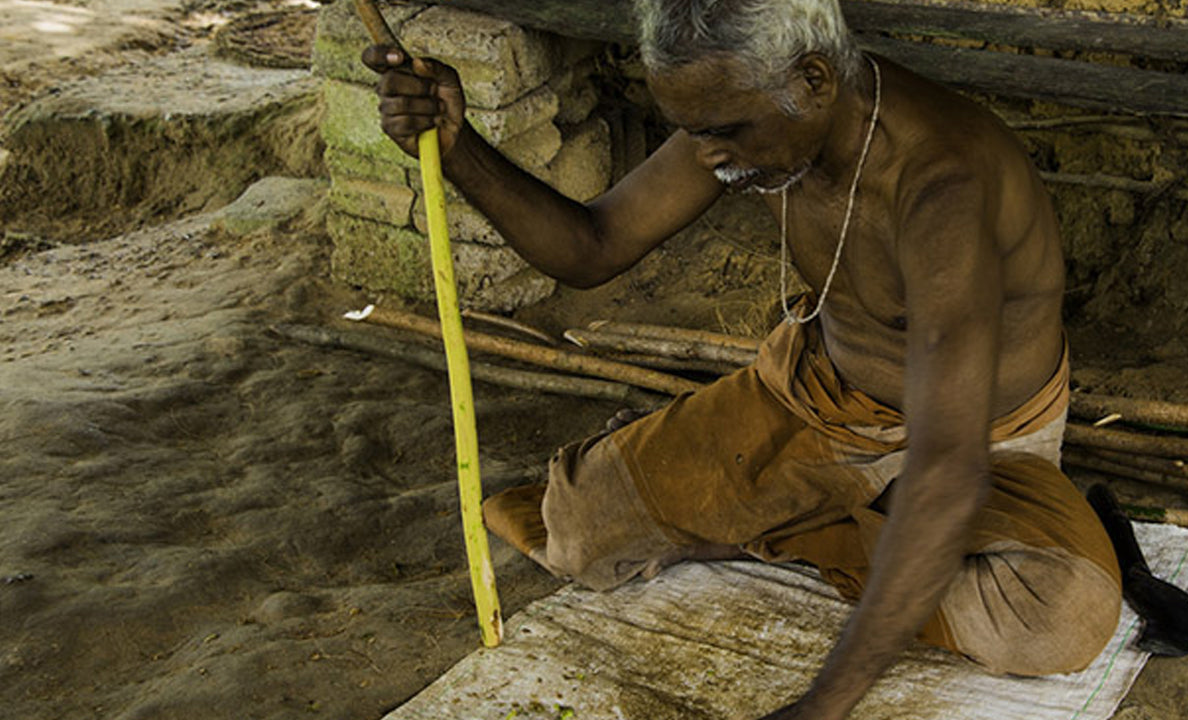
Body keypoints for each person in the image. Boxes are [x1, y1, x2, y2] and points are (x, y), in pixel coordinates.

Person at [363, 1, 1122, 717]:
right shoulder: (749, 121)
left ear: (813, 80)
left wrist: (820, 706)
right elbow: (591, 249)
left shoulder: (943, 185)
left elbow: (950, 466)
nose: (708, 157)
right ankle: (840, 524)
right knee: (577, 530)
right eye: (690, 131)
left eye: (723, 130)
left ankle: (798, 522)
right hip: (817, 404)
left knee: (1060, 616)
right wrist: (460, 148)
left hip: (984, 442)